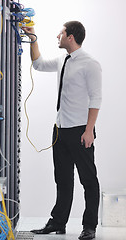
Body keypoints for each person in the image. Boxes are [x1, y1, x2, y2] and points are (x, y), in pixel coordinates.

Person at [22, 21, 102, 240]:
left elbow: (96, 98)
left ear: (71, 37)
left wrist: (89, 130)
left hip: (80, 131)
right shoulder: (62, 60)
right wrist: (32, 38)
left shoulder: (90, 63)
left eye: (61, 33)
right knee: (63, 179)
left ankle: (89, 227)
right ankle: (58, 223)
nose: (58, 35)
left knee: (88, 180)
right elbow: (38, 64)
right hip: (60, 130)